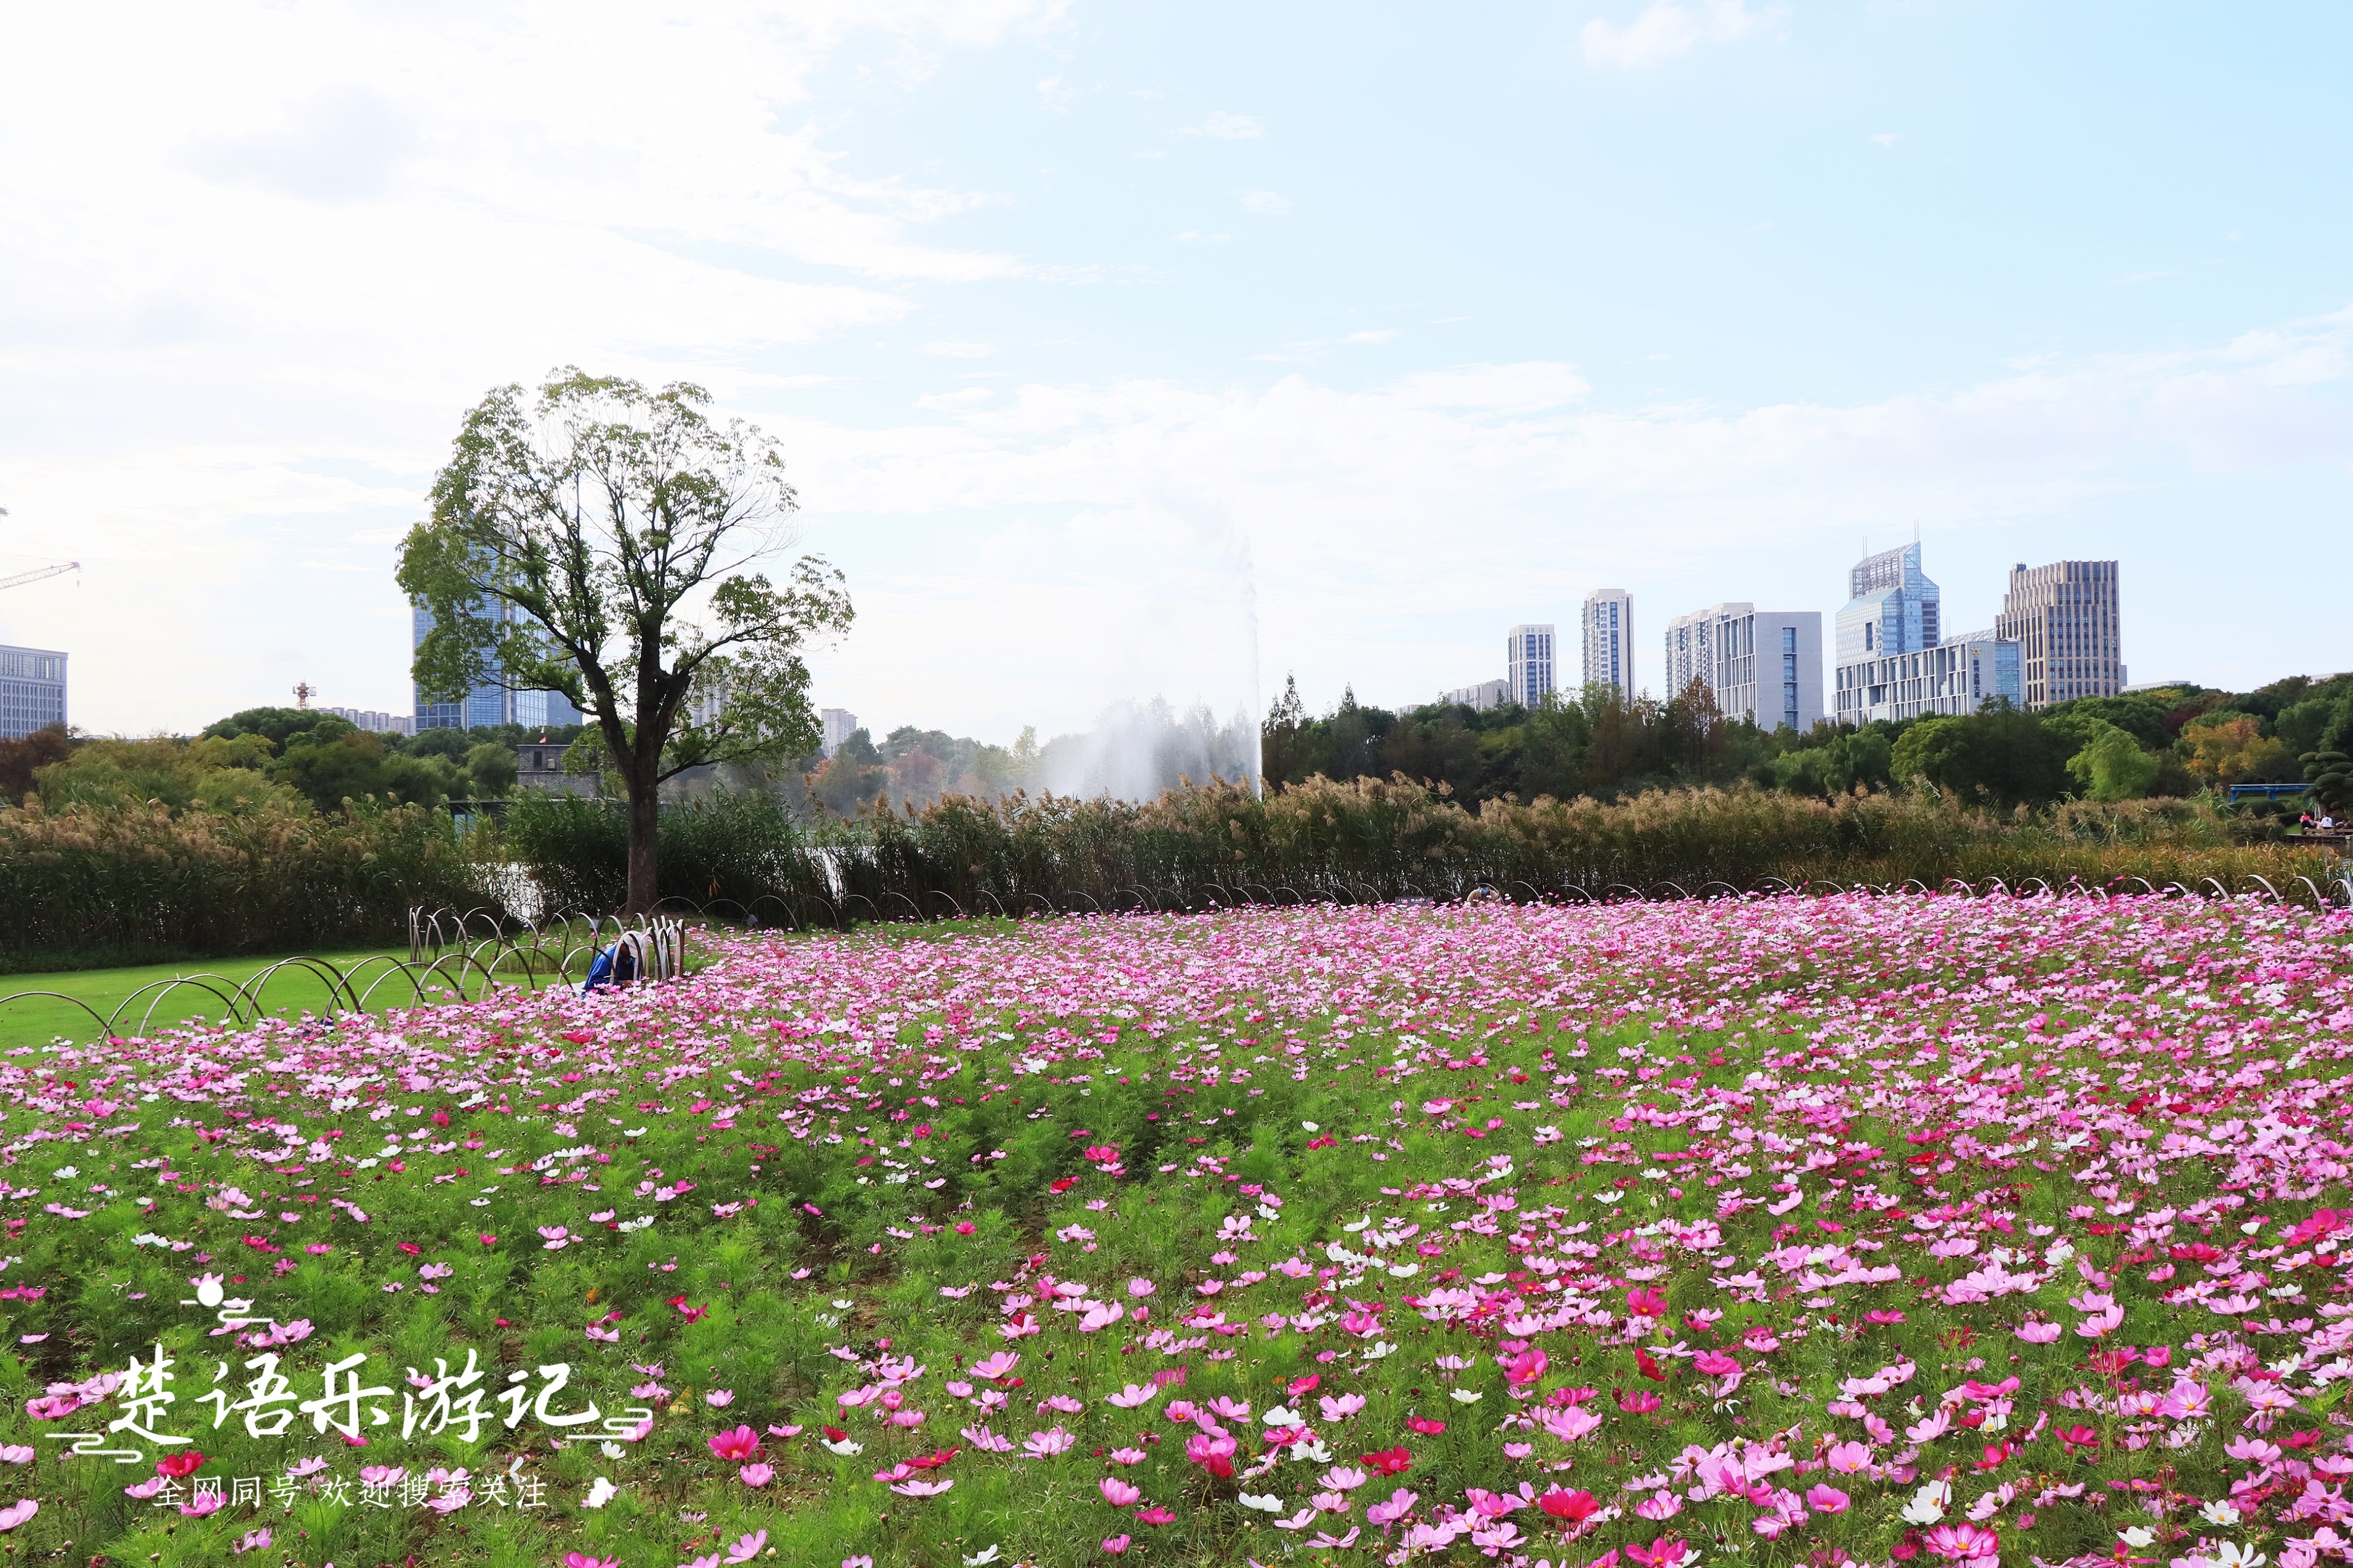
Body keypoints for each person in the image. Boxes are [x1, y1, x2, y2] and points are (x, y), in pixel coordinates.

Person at [583, 930, 648, 993]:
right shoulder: (607, 957)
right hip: (600, 994)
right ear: (623, 946)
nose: (632, 955)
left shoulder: (632, 957)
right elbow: (593, 982)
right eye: (630, 952)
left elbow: (638, 975)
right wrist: (621, 983)